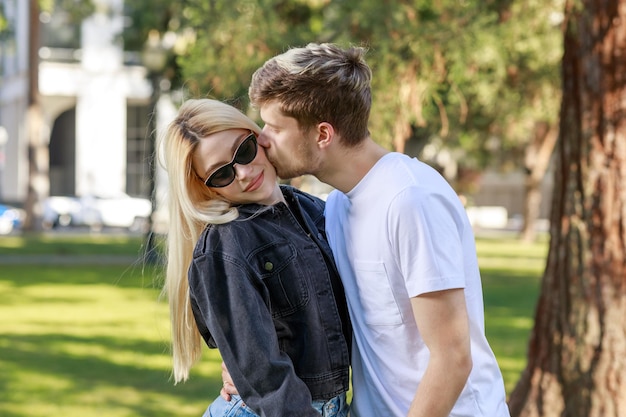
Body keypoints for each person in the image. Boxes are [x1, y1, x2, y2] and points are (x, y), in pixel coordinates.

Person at [244, 43, 511, 417]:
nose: (262, 138)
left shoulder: (410, 200)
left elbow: (452, 358)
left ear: (323, 134)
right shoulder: (338, 205)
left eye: (274, 126)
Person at [158, 98, 351, 417]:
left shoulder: (313, 210)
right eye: (222, 174)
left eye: (244, 150)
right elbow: (263, 375)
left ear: (258, 136)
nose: (245, 173)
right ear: (208, 189)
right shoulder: (227, 242)